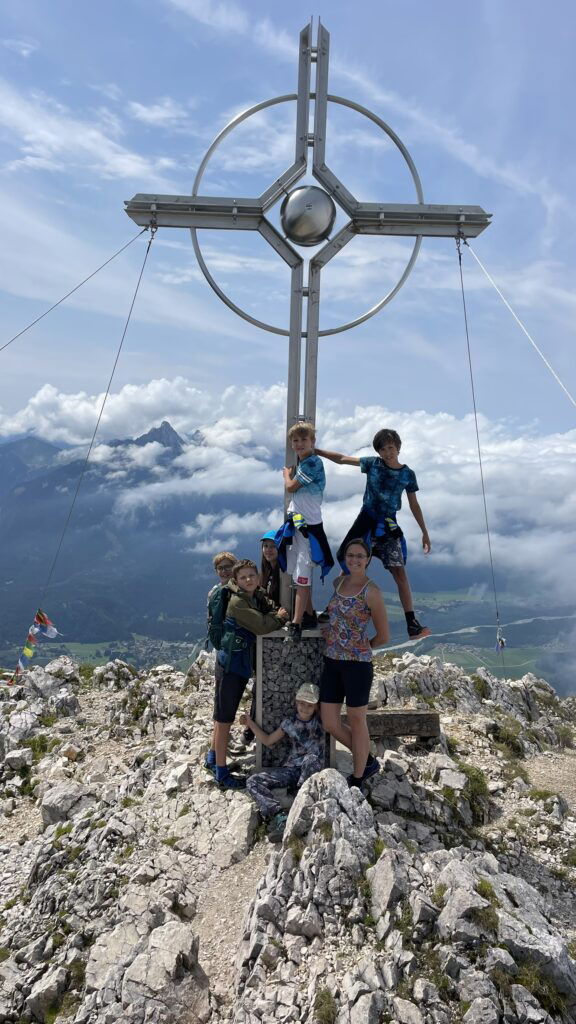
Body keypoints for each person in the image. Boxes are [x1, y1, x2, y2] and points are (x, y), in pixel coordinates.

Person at [316, 428, 431, 639]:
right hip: (366, 521)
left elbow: (414, 505)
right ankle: (331, 608)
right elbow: (342, 459)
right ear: (378, 451)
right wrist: (316, 451)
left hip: (388, 526)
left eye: (391, 448)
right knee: (350, 565)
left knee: (400, 573)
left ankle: (411, 623)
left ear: (398, 447)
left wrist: (424, 532)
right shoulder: (373, 464)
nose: (388, 452)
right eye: (383, 449)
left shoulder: (407, 474)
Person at [206, 559, 289, 789]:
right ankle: (222, 775)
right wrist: (280, 618)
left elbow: (268, 609)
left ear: (258, 576)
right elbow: (262, 625)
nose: (248, 580)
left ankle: (212, 759)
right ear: (236, 580)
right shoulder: (237, 603)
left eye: (252, 575)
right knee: (224, 719)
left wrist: (272, 613)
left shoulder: (253, 596)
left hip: (237, 663)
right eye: (243, 577)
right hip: (231, 666)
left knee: (221, 716)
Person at [319, 538, 389, 790]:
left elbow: (383, 636)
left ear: (368, 559)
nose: (355, 560)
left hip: (357, 665)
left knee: (357, 720)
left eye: (360, 556)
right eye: (351, 555)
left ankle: (358, 777)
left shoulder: (372, 592)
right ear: (345, 558)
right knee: (329, 721)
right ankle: (367, 760)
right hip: (332, 660)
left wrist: (360, 646)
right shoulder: (339, 583)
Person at [240, 682, 324, 841]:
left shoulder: (321, 721)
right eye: (302, 703)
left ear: (316, 707)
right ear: (296, 702)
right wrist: (250, 723)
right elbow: (268, 740)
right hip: (292, 771)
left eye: (310, 705)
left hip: (310, 770)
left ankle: (303, 809)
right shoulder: (289, 723)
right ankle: (280, 817)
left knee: (312, 759)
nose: (305, 708)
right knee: (253, 781)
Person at [280, 420, 333, 642]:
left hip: (308, 529)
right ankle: (309, 615)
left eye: (304, 439)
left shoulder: (312, 463)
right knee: (298, 571)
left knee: (302, 576)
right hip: (299, 524)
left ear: (313, 441)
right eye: (295, 440)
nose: (299, 443)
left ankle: (296, 624)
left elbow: (291, 487)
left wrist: (286, 474)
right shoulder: (304, 462)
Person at [260, 530, 281, 606]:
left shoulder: (285, 574)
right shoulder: (265, 572)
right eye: (265, 546)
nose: (268, 550)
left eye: (273, 546)